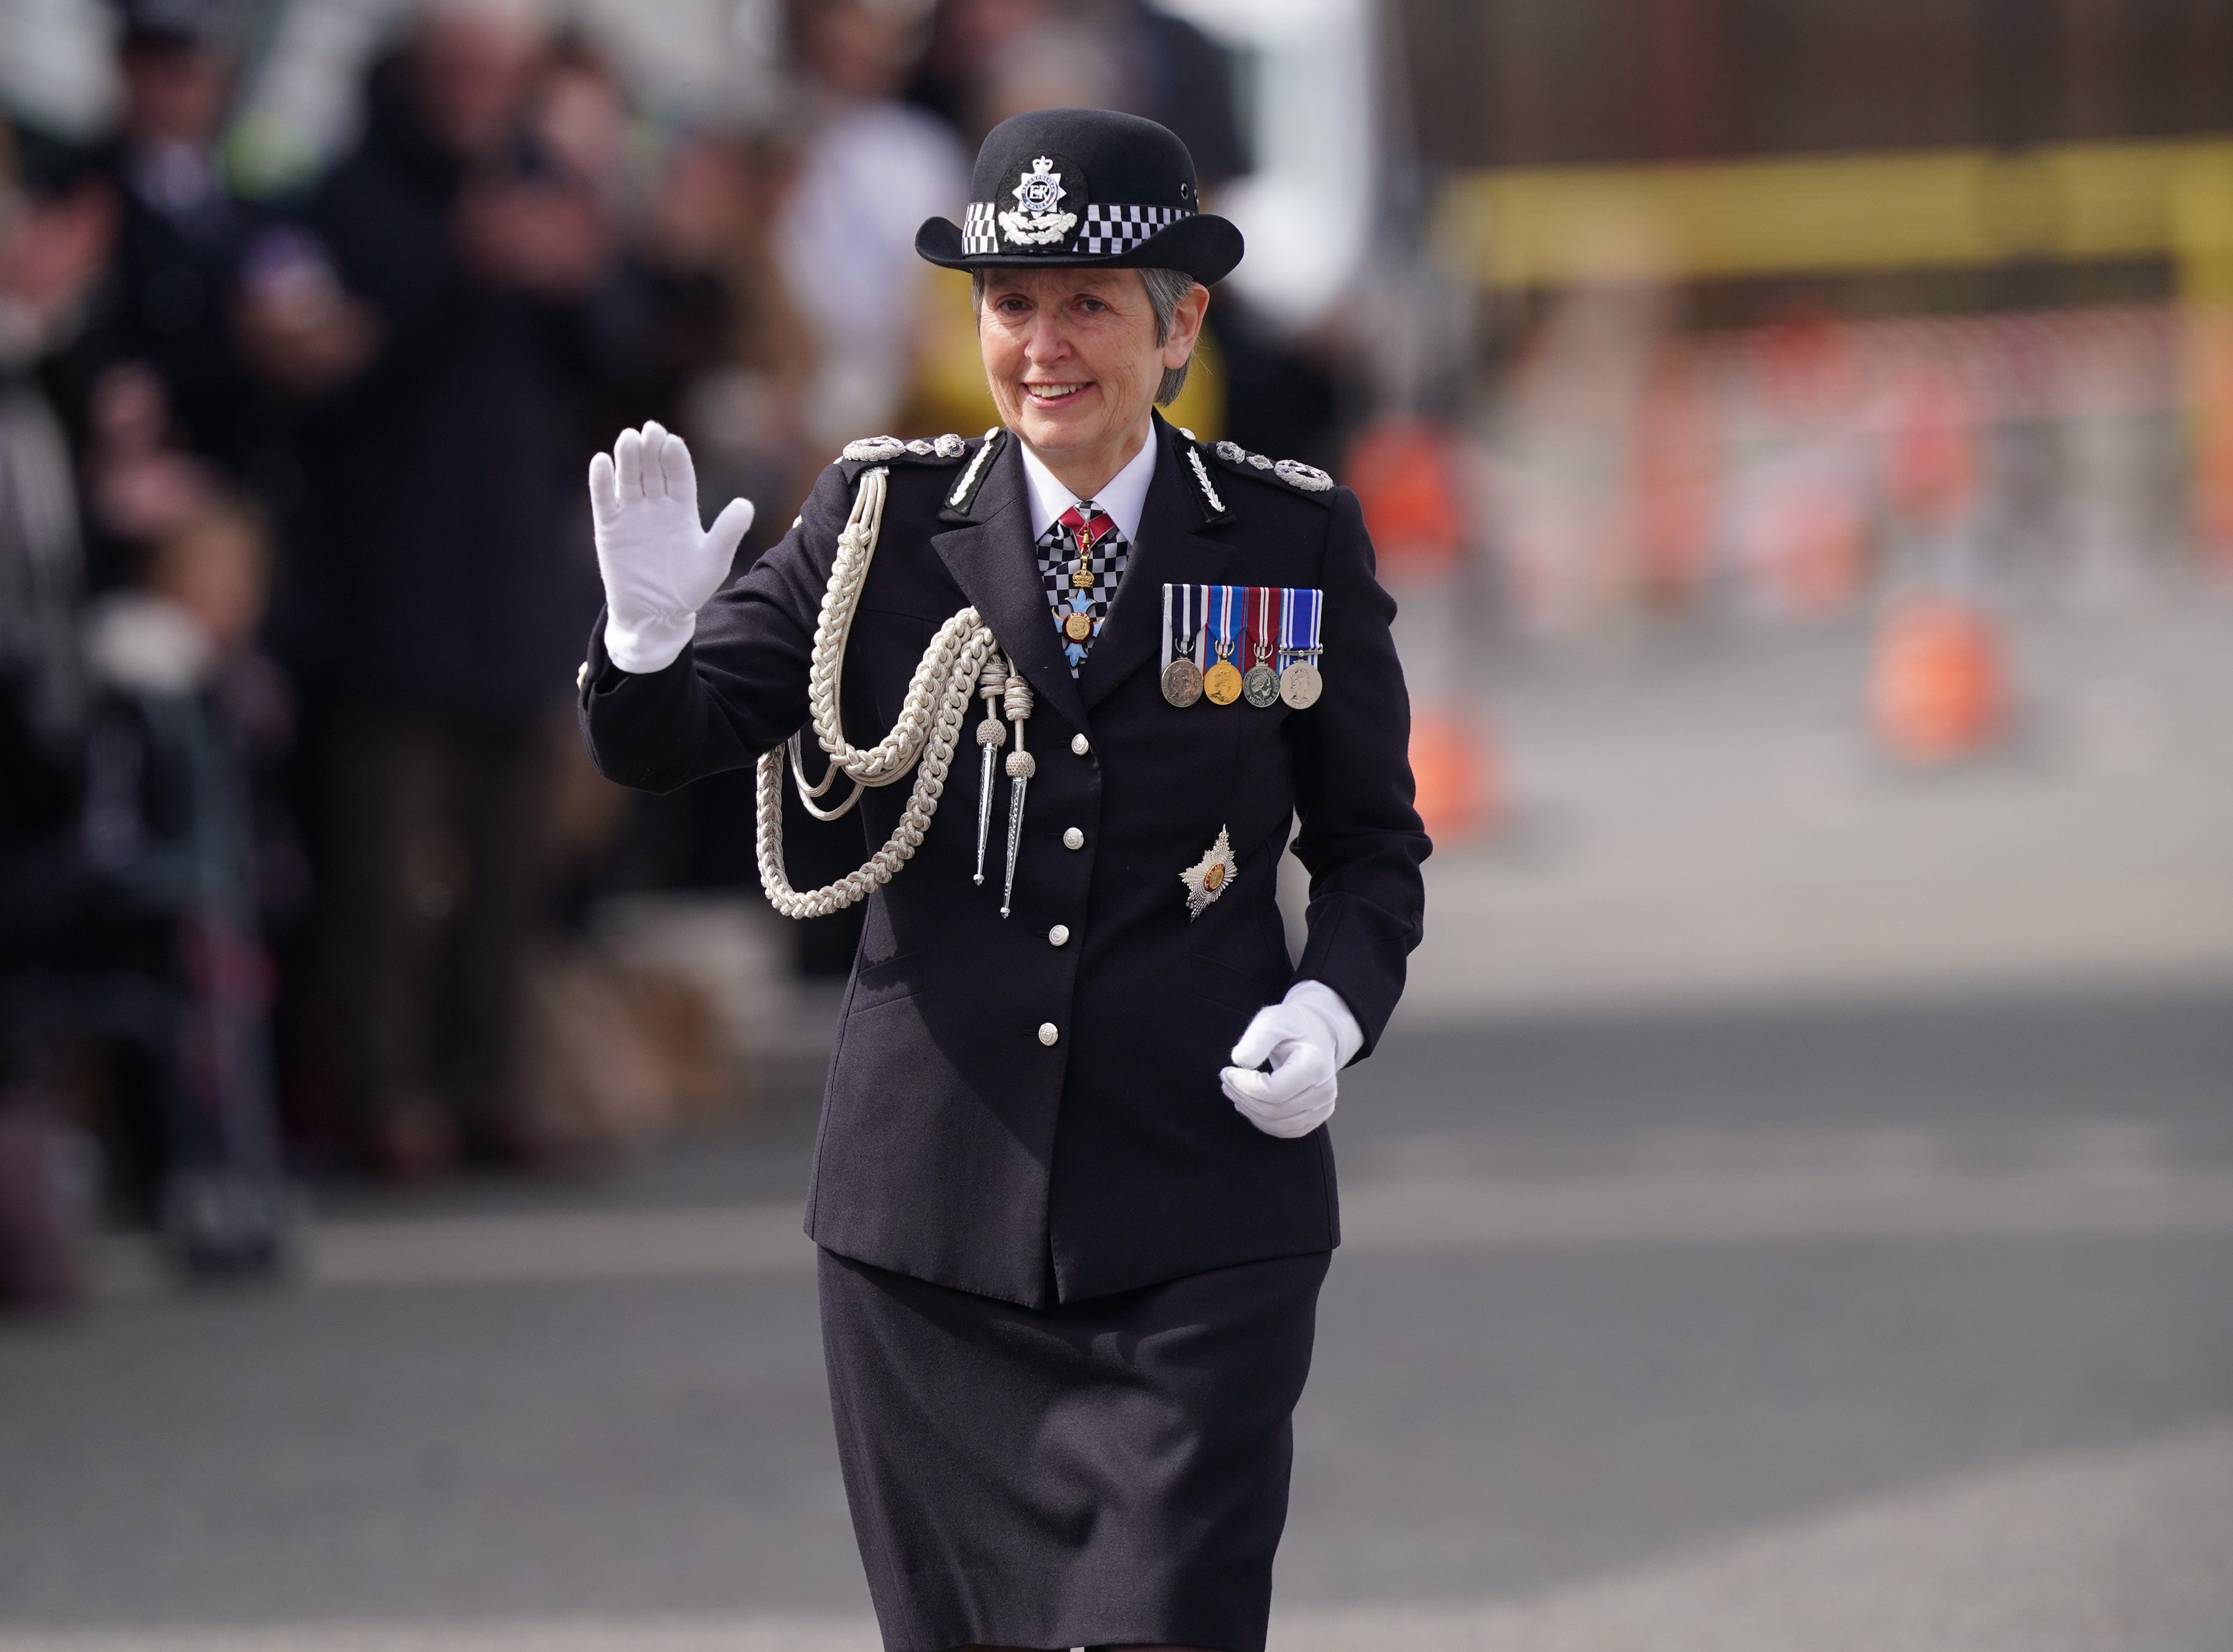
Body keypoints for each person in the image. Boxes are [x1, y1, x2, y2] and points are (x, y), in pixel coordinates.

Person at [580, 108, 1427, 1652]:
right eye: (1010, 303)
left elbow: (1372, 846)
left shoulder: (1288, 537)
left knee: (1167, 1616)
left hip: (1199, 1203)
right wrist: (641, 648)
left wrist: (1332, 1004)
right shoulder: (878, 526)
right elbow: (682, 738)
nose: (1044, 344)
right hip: (932, 1223)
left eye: (1089, 304)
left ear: (1180, 327)